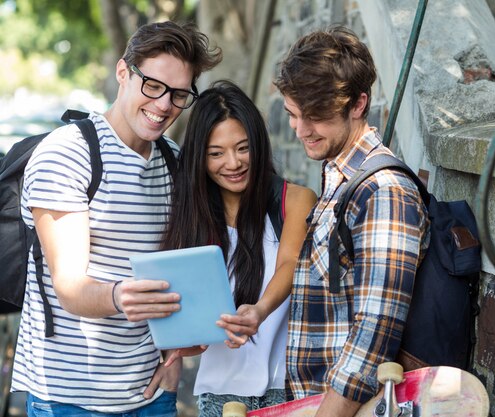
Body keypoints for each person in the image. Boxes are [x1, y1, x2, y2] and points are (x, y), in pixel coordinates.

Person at [11, 21, 222, 416]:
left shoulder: (173, 159)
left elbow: (176, 273)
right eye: (153, 86)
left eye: (178, 94)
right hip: (69, 397)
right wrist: (118, 296)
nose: (163, 105)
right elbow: (70, 287)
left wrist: (178, 351)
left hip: (152, 393)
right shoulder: (68, 154)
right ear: (123, 72)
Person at [273, 26, 430, 416]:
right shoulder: (340, 177)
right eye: (293, 114)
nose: (301, 130)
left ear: (358, 105)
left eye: (315, 116)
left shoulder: (383, 190)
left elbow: (375, 330)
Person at [159, 80, 317, 417]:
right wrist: (186, 339)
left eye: (243, 148)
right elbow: (189, 313)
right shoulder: (191, 218)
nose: (233, 163)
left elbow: (290, 263)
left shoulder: (295, 200)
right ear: (200, 158)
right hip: (220, 393)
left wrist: (259, 310)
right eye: (216, 154)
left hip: (288, 389)